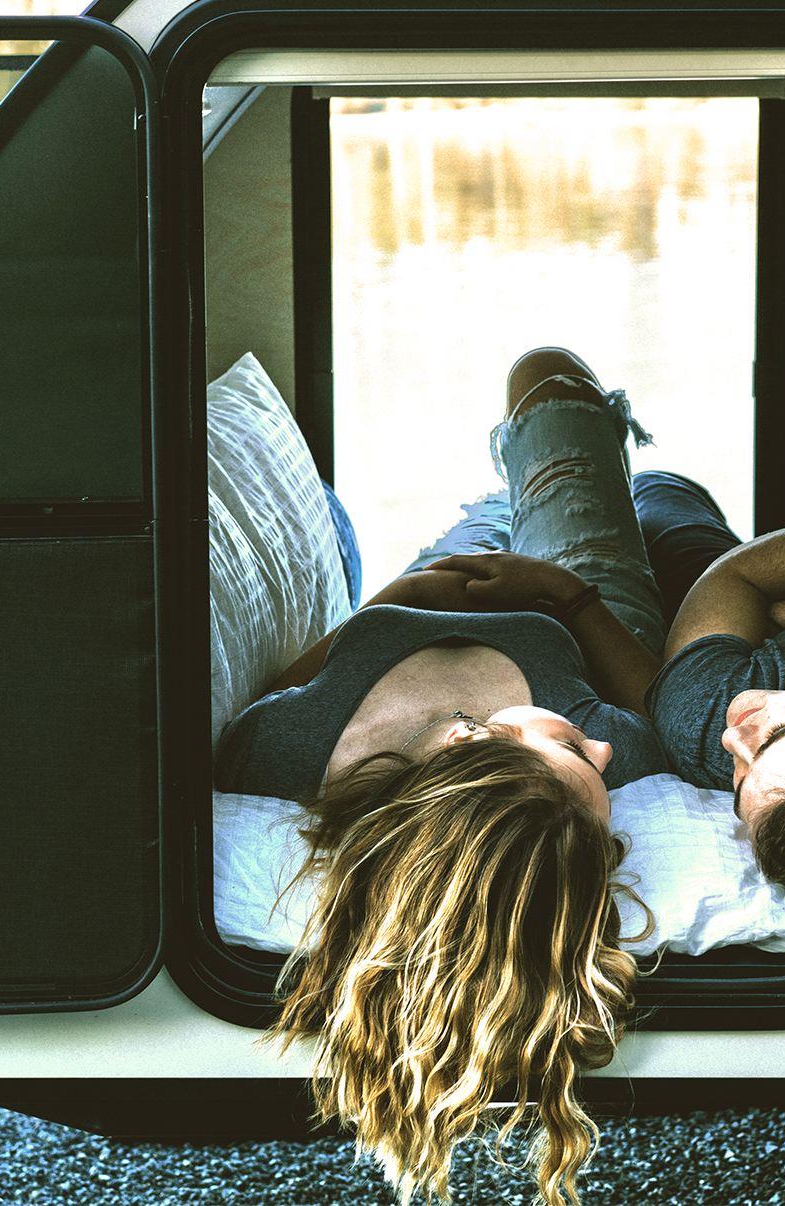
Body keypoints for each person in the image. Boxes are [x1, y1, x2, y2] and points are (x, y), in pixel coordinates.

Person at [216, 348, 687, 1206]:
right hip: (575, 594)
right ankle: (646, 491)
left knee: (493, 481)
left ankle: (505, 507)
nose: (606, 756)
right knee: (551, 388)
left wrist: (403, 591)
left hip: (419, 588)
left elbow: (307, 668)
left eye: (576, 751)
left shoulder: (283, 751)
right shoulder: (624, 744)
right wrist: (568, 598)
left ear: (467, 748)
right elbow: (663, 697)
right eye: (592, 763)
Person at [638, 478, 785, 908]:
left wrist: (780, 613)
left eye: (737, 791)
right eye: (774, 736)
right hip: (768, 613)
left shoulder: (705, 722)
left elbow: (736, 578)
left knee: (657, 494)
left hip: (723, 614)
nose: (733, 739)